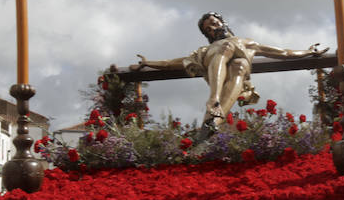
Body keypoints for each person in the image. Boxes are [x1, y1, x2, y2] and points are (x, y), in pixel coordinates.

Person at [135, 12, 327, 138]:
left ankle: (212, 122)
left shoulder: (248, 43)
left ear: (223, 23)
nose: (212, 29)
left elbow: (284, 52)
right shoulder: (204, 50)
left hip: (236, 78)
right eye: (208, 30)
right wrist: (148, 63)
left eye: (214, 24)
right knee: (227, 46)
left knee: (241, 64)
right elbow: (171, 64)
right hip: (215, 73)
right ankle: (214, 100)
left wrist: (307, 51)